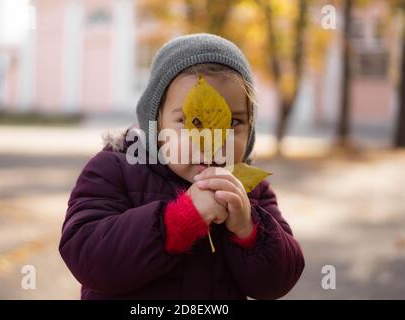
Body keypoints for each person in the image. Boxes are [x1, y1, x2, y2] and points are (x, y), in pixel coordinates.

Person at [59, 33, 305, 300]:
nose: (213, 140)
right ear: (157, 123)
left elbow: (278, 282)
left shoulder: (251, 192)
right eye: (194, 122)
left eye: (233, 122)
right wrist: (180, 220)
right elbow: (88, 256)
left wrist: (248, 229)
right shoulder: (115, 170)